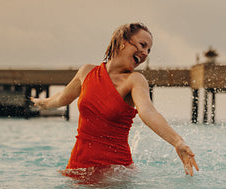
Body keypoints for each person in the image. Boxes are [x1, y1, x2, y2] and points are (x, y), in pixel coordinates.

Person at [31, 22, 199, 177]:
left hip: (115, 173)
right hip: (78, 166)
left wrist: (177, 142)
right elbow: (62, 98)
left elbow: (148, 112)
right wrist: (43, 103)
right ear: (122, 41)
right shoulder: (86, 72)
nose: (145, 54)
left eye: (149, 51)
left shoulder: (134, 80)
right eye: (142, 45)